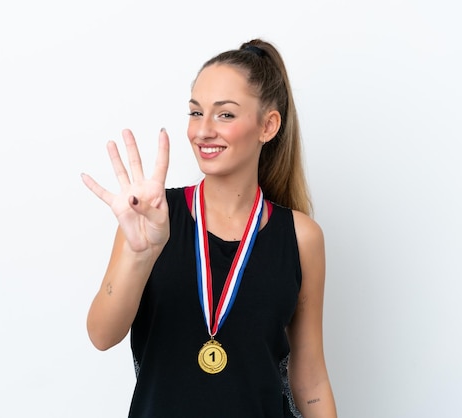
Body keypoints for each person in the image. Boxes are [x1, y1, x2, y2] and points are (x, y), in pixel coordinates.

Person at [81, 38, 337, 418]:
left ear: (268, 125)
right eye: (195, 113)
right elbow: (102, 335)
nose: (202, 131)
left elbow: (310, 377)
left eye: (225, 115)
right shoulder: (153, 217)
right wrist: (139, 256)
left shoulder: (302, 238)